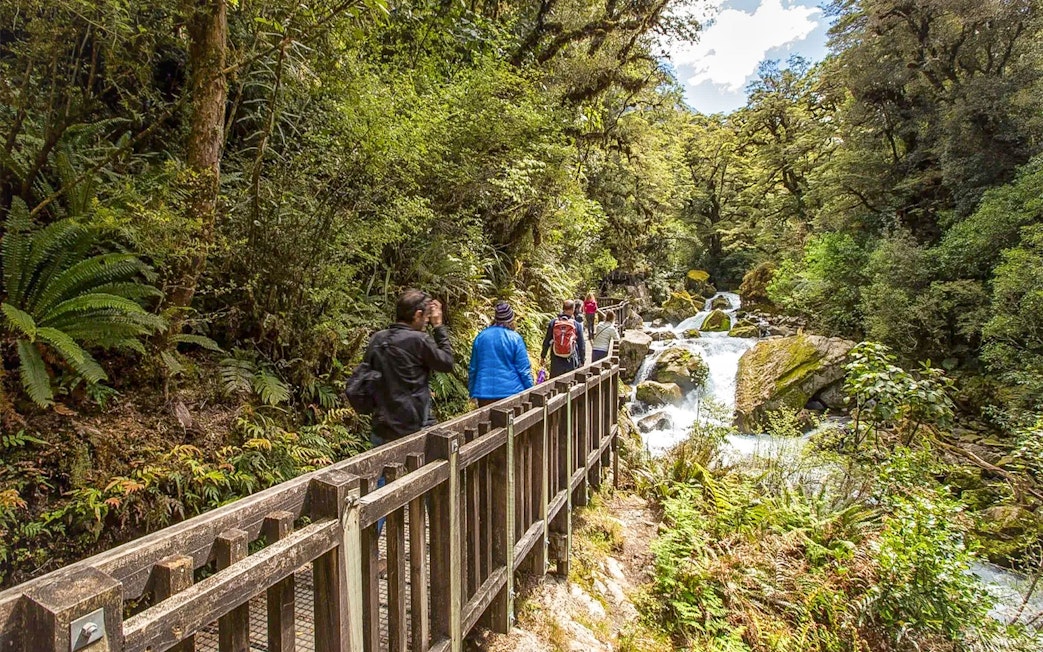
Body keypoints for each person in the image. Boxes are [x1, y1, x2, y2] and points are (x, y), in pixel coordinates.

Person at [365, 289, 455, 447]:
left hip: (382, 424)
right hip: (411, 426)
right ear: (417, 315)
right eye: (426, 316)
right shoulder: (419, 341)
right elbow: (446, 362)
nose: (427, 321)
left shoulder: (378, 338)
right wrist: (438, 327)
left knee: (384, 467)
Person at [468, 301, 533, 407]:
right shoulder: (515, 338)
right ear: (511, 319)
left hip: (484, 393)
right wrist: (531, 390)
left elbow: (473, 368)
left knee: (487, 423)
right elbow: (524, 370)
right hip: (511, 392)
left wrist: (471, 391)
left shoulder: (481, 337)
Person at [540, 299, 586, 378]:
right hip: (571, 360)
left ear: (563, 308)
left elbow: (547, 341)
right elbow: (582, 345)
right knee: (571, 383)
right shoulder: (576, 324)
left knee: (555, 383)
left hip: (556, 360)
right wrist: (582, 360)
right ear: (573, 309)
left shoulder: (553, 323)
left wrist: (543, 356)